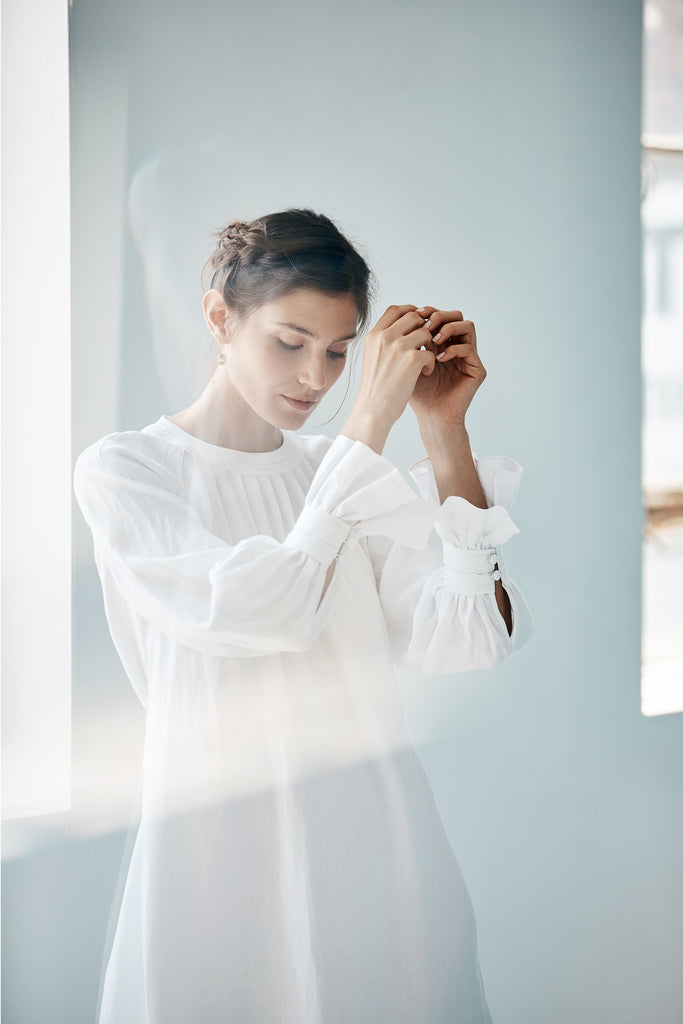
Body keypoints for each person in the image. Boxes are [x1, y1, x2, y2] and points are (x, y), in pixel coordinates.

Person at [74, 208, 534, 1024]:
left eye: (338, 351)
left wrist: (440, 431)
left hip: (376, 839)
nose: (317, 379)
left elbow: (470, 637)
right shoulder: (129, 470)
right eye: (289, 342)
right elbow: (260, 608)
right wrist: (367, 425)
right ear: (220, 317)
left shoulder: (336, 469)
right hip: (216, 852)